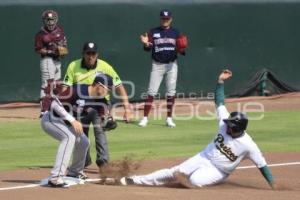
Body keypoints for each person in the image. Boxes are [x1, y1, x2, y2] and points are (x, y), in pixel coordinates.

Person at [120, 70, 276, 189]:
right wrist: (220, 82)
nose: (227, 126)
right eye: (228, 123)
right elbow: (220, 102)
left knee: (194, 180)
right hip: (204, 156)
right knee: (174, 171)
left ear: (238, 128)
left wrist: (273, 186)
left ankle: (181, 181)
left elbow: (262, 166)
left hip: (219, 171)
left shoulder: (248, 145)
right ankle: (135, 180)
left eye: (231, 125)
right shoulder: (224, 122)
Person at [63, 42, 132, 168]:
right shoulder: (73, 66)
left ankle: (103, 163)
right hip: (81, 104)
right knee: (80, 133)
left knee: (100, 131)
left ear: (97, 54)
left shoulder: (106, 67)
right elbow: (65, 88)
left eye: (93, 54)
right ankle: (84, 161)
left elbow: (119, 87)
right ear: (83, 54)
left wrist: (127, 109)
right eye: (88, 53)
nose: (90, 56)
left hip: (101, 105)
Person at [41, 73, 113, 187]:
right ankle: (55, 177)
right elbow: (54, 104)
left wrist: (107, 123)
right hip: (51, 119)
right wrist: (72, 120)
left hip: (67, 123)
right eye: (107, 88)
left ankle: (74, 172)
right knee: (69, 137)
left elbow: (103, 118)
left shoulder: (101, 101)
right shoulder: (77, 90)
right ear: (98, 85)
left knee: (84, 142)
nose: (108, 92)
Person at [138, 9, 187, 128]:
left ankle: (169, 118)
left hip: (172, 65)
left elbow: (182, 51)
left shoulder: (176, 32)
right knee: (151, 92)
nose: (165, 20)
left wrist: (182, 48)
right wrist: (145, 44)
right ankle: (145, 118)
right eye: (163, 18)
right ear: (160, 19)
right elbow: (147, 49)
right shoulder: (153, 32)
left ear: (171, 19)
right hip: (157, 65)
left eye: (167, 18)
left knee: (171, 92)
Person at [34, 10, 68, 112]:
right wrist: (51, 51)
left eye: (52, 20)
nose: (50, 22)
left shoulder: (60, 30)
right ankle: (44, 110)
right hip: (47, 60)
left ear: (56, 20)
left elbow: (64, 43)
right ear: (44, 21)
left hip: (57, 60)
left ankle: (55, 109)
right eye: (48, 20)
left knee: (57, 85)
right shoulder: (41, 34)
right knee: (48, 84)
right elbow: (38, 49)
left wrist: (63, 50)